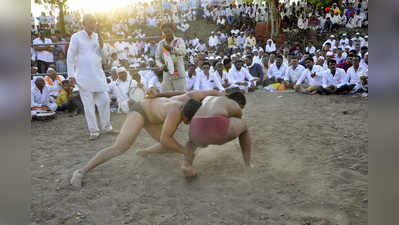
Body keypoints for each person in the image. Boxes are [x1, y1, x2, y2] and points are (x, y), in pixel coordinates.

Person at [70, 90, 225, 188]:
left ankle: (144, 152)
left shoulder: (189, 98)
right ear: (185, 115)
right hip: (140, 111)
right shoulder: (175, 113)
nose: (188, 123)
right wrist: (185, 152)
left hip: (153, 116)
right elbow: (165, 139)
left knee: (168, 145)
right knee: (120, 147)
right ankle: (81, 172)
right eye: (188, 121)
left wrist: (223, 95)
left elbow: (207, 92)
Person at [67, 14, 115, 140]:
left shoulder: (97, 37)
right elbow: (70, 57)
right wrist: (71, 75)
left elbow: (105, 58)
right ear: (84, 23)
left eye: (94, 22)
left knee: (104, 100)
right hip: (83, 77)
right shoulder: (76, 37)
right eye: (90, 22)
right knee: (88, 106)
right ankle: (94, 131)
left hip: (98, 75)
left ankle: (106, 127)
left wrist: (102, 45)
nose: (93, 24)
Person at [155, 23, 187, 92]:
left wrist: (172, 49)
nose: (167, 34)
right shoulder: (161, 43)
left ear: (172, 30)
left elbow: (183, 52)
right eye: (165, 32)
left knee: (181, 97)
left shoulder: (179, 41)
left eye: (168, 31)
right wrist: (162, 66)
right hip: (167, 76)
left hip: (179, 75)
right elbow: (157, 58)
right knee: (166, 98)